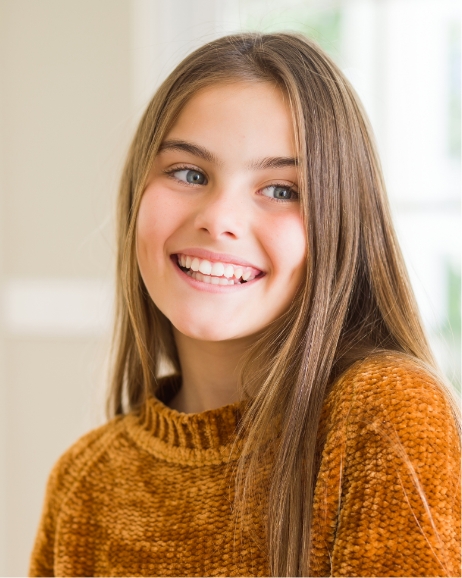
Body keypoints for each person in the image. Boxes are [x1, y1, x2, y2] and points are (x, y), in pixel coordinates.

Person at [29, 32, 460, 577]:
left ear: (342, 226)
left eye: (280, 189)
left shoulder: (381, 413)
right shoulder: (84, 482)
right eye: (189, 173)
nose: (220, 218)